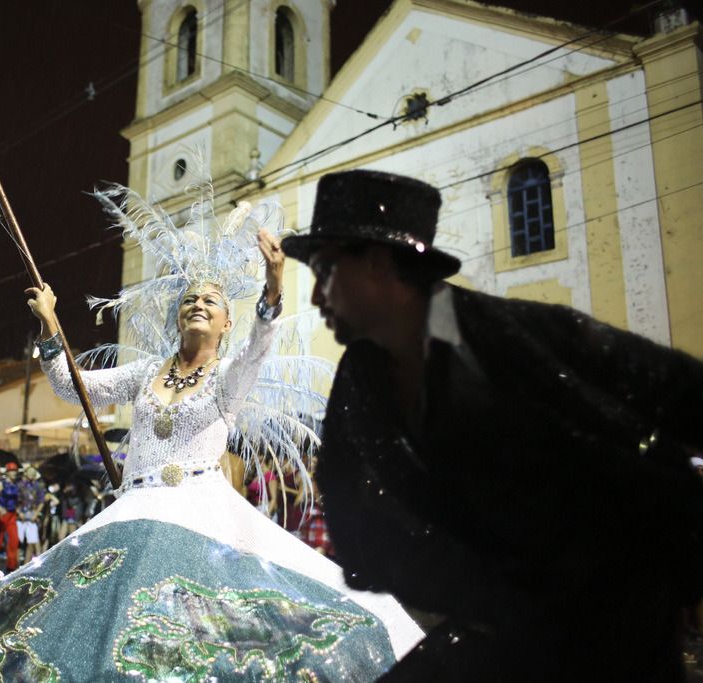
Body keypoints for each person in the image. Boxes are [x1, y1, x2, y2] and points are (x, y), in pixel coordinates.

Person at [0, 172, 421, 681]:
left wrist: (273, 287)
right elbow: (73, 386)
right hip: (130, 507)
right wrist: (50, 324)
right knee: (77, 622)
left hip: (195, 513)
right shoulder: (145, 373)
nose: (197, 305)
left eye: (210, 301)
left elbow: (260, 344)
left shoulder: (231, 375)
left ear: (227, 321)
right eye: (189, 300)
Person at [280, 168, 703, 681]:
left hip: (619, 618)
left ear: (375, 264)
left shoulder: (516, 337)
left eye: (325, 271)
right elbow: (346, 500)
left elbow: (676, 390)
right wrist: (454, 584)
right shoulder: (359, 378)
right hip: (503, 624)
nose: (317, 298)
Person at [0, 462, 21, 571]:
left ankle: (11, 566)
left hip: (12, 514)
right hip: (2, 515)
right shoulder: (2, 484)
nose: (14, 472)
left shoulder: (17, 484)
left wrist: (18, 509)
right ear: (8, 472)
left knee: (14, 540)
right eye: (11, 470)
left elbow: (18, 499)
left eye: (15, 470)